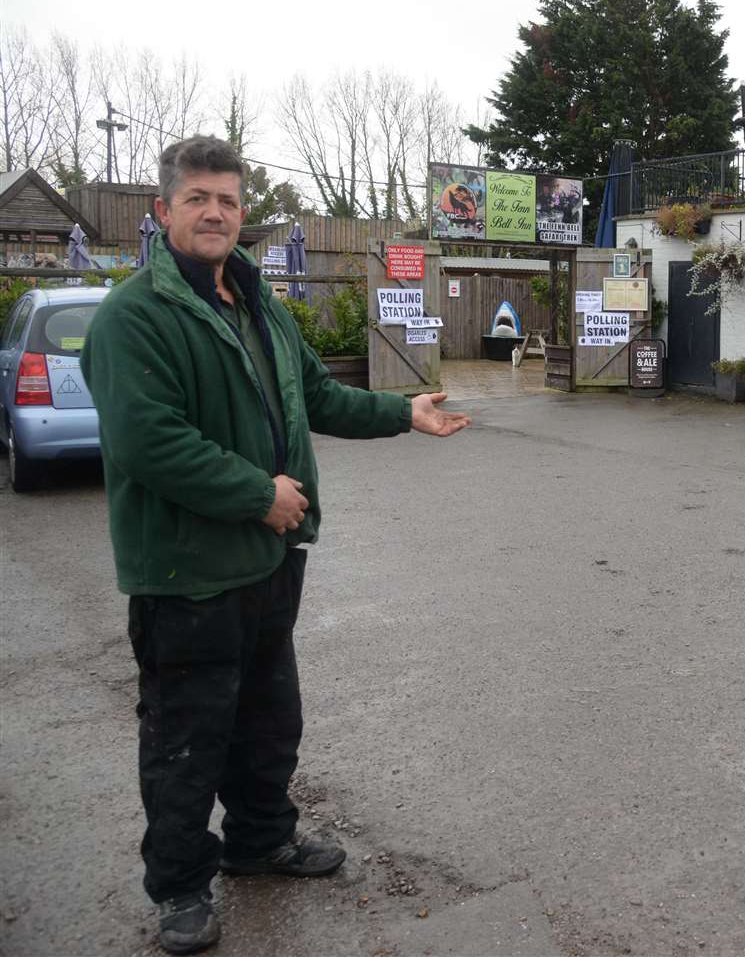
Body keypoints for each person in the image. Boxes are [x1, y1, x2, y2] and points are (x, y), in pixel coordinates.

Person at [81, 135, 470, 955]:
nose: (214, 211)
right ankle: (181, 887)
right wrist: (260, 493)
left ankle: (261, 841)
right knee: (187, 736)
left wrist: (405, 412)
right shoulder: (133, 319)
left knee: (267, 718)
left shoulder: (257, 305)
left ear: (243, 212)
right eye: (197, 198)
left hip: (268, 564)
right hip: (186, 573)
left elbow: (319, 397)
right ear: (164, 212)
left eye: (227, 198)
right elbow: (150, 442)